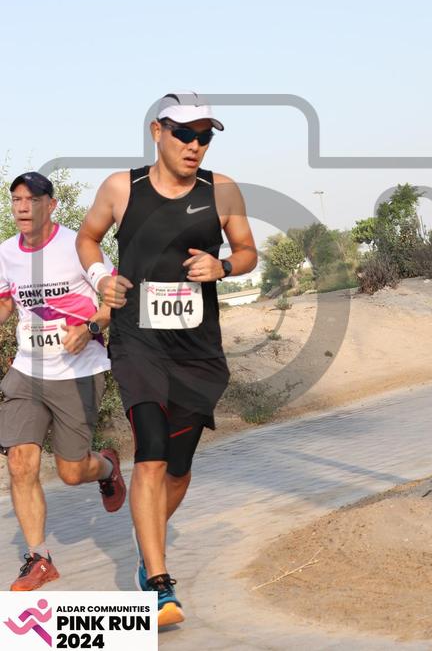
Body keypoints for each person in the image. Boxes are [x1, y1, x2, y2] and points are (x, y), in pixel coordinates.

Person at [76, 92, 257, 627]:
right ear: (158, 132)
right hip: (138, 343)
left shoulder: (221, 190)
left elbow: (247, 251)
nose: (195, 145)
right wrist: (101, 278)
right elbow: (87, 238)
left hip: (198, 351)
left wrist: (224, 267)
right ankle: (158, 581)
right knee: (150, 454)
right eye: (184, 134)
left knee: (178, 469)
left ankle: (146, 540)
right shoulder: (121, 188)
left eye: (204, 137)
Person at [0, 172, 126, 592]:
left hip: (78, 371)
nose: (22, 207)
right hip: (27, 371)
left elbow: (115, 298)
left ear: (51, 205)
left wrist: (90, 327)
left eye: (32, 199)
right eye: (16, 199)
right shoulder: (6, 253)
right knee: (20, 461)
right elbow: (6, 301)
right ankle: (39, 558)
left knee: (72, 472)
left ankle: (106, 466)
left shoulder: (78, 246)